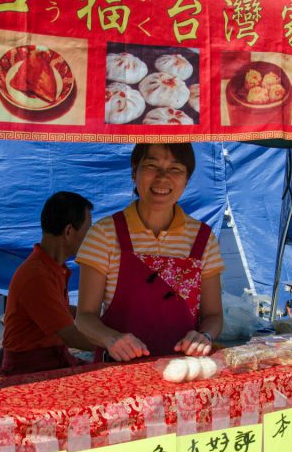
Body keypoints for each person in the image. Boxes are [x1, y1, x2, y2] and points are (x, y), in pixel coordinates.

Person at [76, 143, 224, 362]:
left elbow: (214, 315)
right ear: (134, 172)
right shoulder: (104, 234)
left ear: (186, 180)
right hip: (118, 372)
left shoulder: (204, 238)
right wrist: (111, 339)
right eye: (152, 166)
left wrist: (204, 336)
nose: (162, 178)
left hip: (182, 372)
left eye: (175, 169)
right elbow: (84, 317)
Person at [0, 191, 97, 375]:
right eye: (88, 231)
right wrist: (112, 341)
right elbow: (72, 337)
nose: (90, 239)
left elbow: (59, 311)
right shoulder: (36, 276)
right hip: (28, 373)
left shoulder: (52, 268)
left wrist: (100, 316)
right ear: (69, 231)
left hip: (51, 363)